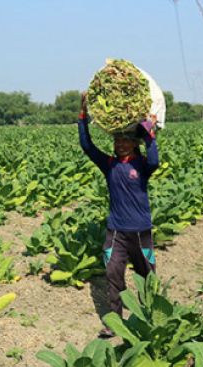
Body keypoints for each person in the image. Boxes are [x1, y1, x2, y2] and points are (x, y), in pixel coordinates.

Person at [78, 94, 159, 337]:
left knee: (147, 274)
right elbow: (87, 147)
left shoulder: (143, 165)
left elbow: (155, 158)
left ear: (134, 144)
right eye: (117, 140)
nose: (120, 144)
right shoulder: (110, 164)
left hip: (140, 231)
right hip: (116, 231)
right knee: (113, 272)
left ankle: (151, 314)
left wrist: (148, 131)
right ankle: (113, 322)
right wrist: (83, 117)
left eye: (125, 140)